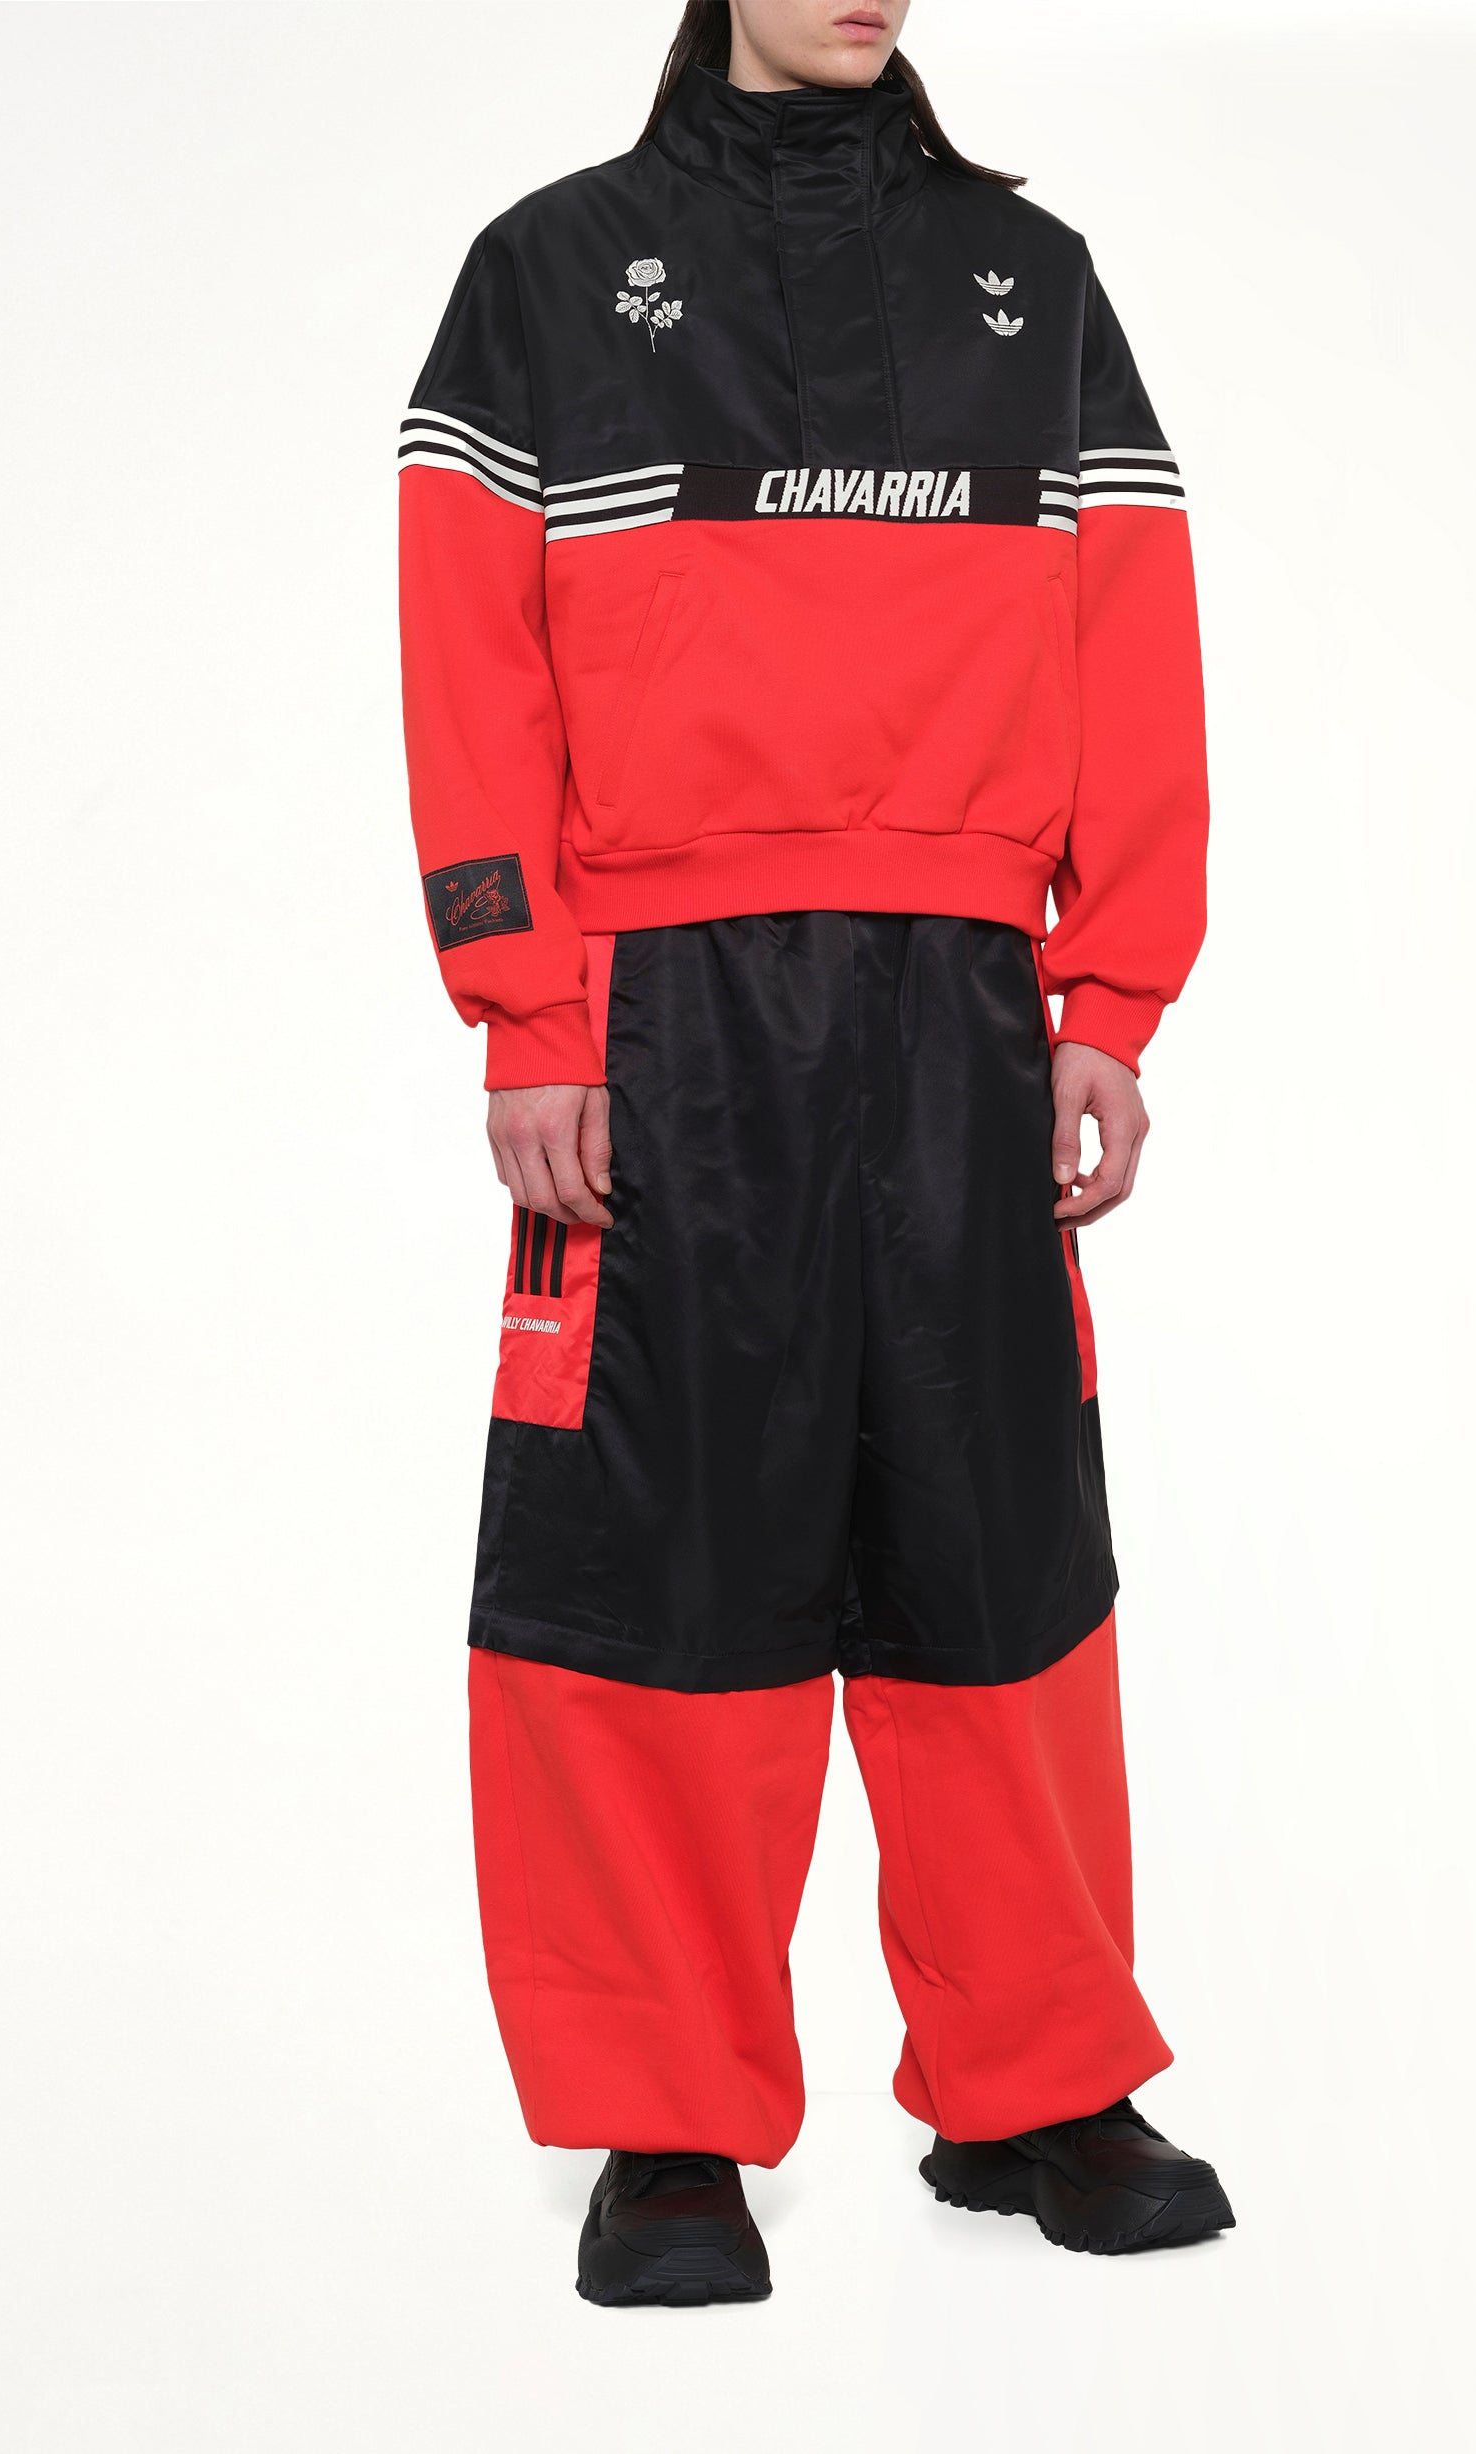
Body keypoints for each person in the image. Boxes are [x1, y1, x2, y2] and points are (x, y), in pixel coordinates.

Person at [399, 0, 1229, 2306]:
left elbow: (1134, 635)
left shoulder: (1026, 279)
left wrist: (1106, 997)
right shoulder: (546, 271)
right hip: (663, 1018)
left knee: (996, 1546)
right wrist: (526, 1005)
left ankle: (1036, 2081)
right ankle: (664, 2127)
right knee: (656, 1558)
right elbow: (466, 653)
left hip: (959, 1007)